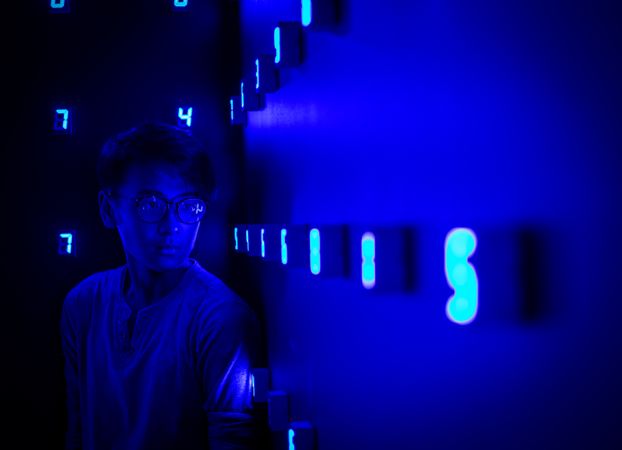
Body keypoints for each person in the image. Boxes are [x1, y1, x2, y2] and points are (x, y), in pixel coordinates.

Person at [59, 121, 262, 450]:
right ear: (109, 210)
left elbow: (232, 440)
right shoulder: (83, 304)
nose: (172, 228)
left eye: (188, 205)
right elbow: (77, 428)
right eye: (150, 204)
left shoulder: (221, 319)